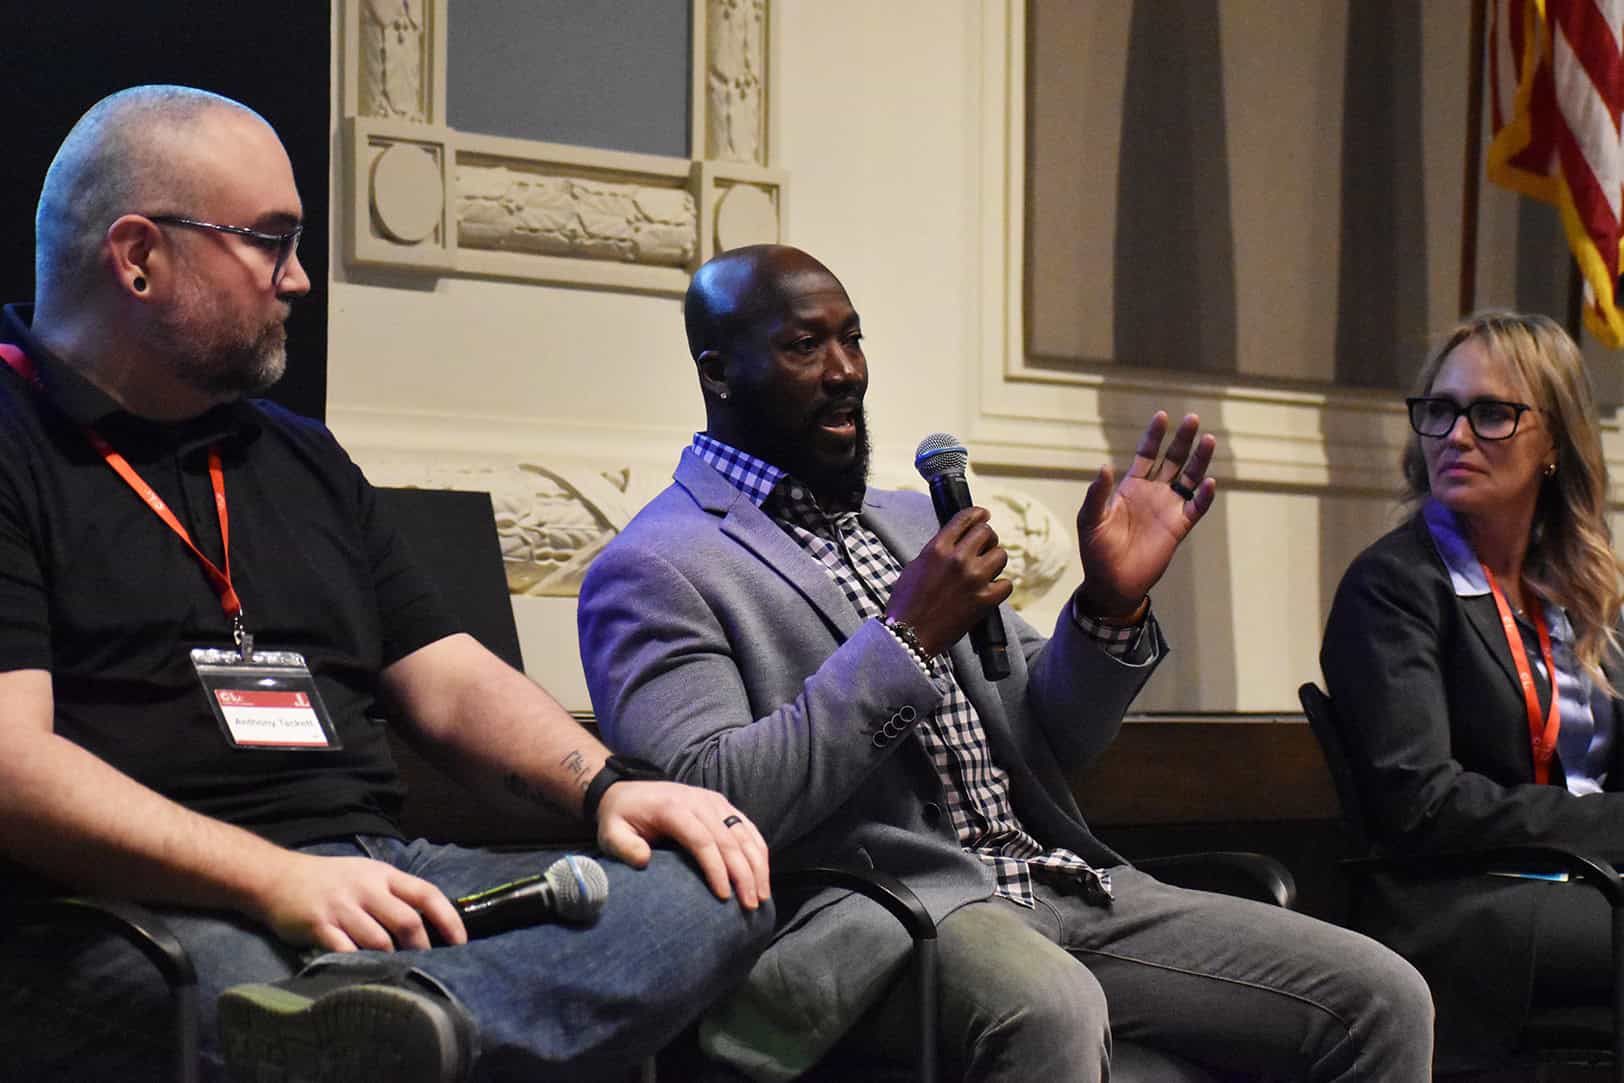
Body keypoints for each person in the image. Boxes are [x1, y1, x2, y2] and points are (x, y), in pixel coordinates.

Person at [0, 85, 775, 1083]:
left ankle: (392, 1023)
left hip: (373, 873)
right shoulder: (14, 443)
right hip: (131, 909)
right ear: (139, 255)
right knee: (229, 985)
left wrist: (608, 787)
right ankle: (382, 1023)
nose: (298, 279)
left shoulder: (300, 457)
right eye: (270, 241)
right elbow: (12, 767)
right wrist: (271, 879)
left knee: (709, 886)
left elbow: (446, 678)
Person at [577, 243, 1434, 1082]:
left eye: (853, 338)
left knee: (1381, 995)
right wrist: (904, 639)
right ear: (720, 373)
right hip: (880, 917)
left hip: (1055, 879)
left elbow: (1056, 734)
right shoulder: (656, 567)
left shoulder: (912, 520)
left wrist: (1108, 606)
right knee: (1050, 1005)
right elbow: (711, 797)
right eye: (805, 345)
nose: (846, 371)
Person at [1321, 310, 1624, 1065]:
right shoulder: (1393, 586)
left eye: (1491, 414)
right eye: (1440, 410)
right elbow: (1423, 806)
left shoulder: (1582, 588)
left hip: (1584, 882)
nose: (1455, 436)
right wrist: (1614, 825)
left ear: (1554, 443)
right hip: (1465, 905)